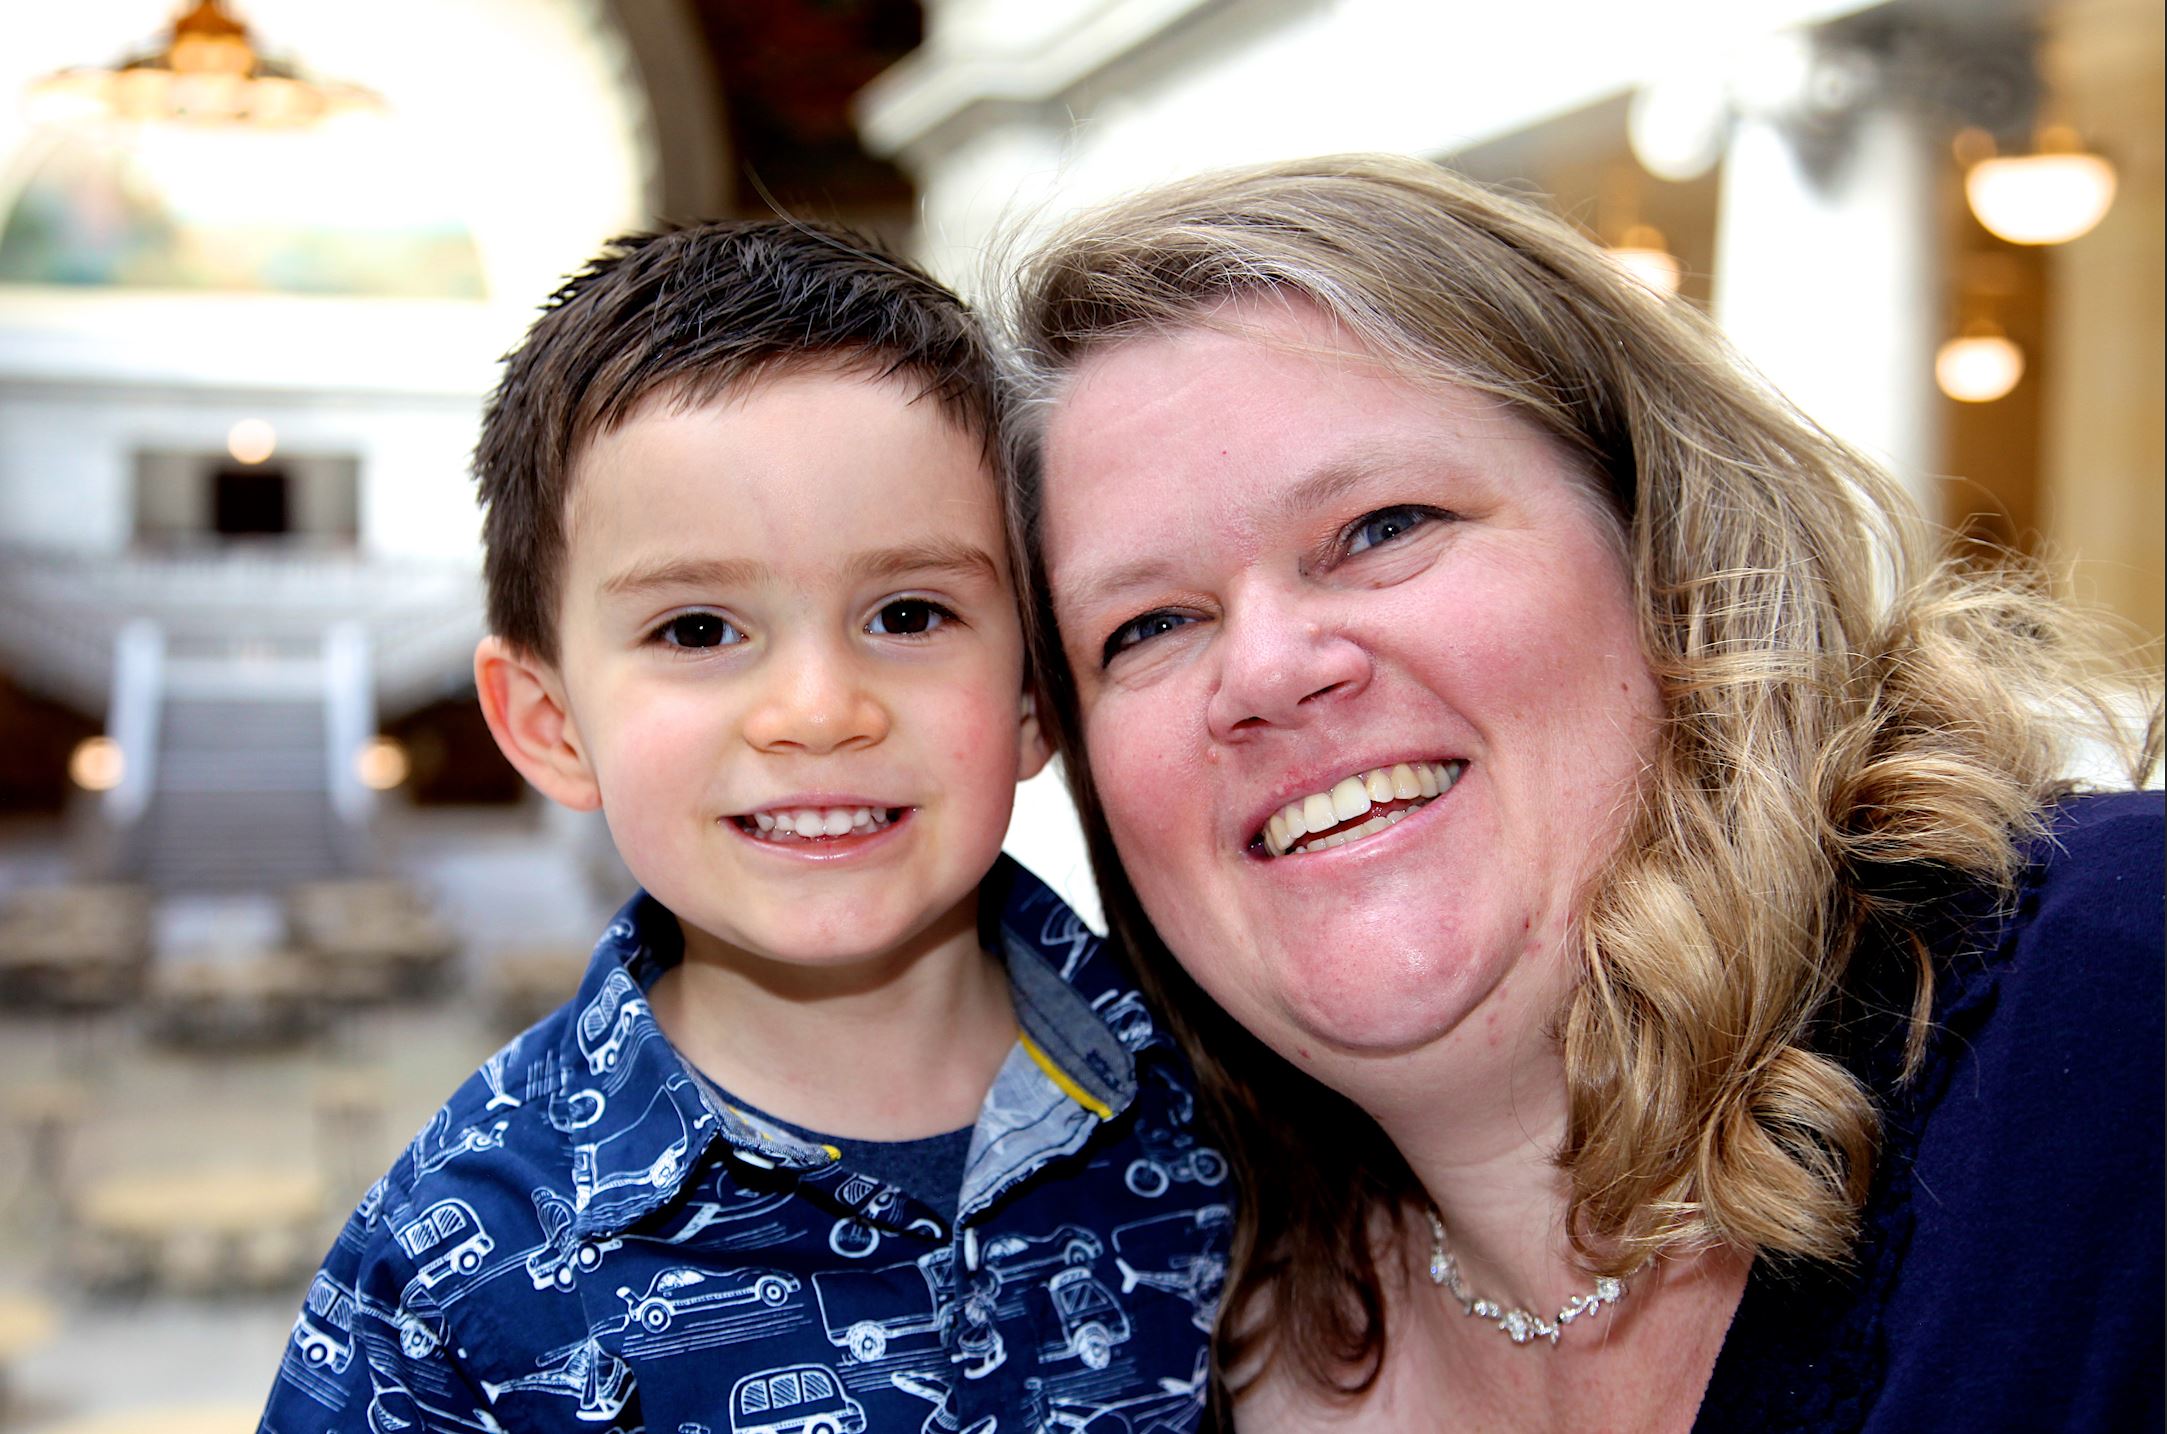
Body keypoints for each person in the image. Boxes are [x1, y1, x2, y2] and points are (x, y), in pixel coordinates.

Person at [999, 153, 2163, 1431]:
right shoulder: (1138, 1346)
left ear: (1662, 548)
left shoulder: (2119, 998)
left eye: (1385, 527)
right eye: (1150, 624)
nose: (1266, 671)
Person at [258, 220, 1228, 1433]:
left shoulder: (1241, 1092)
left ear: (1035, 690)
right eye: (698, 631)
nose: (818, 712)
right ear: (552, 724)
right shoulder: (450, 1276)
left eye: (911, 613)